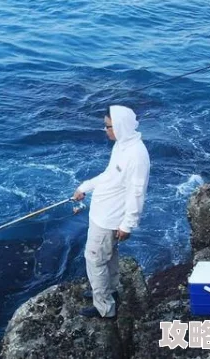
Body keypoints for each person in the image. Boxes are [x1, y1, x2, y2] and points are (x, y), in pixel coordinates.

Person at [72, 105, 150, 319]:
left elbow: (137, 193)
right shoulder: (122, 145)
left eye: (108, 126)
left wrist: (127, 225)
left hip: (109, 219)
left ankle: (104, 308)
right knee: (109, 256)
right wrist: (84, 187)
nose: (104, 130)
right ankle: (111, 289)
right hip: (102, 215)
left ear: (120, 126)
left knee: (94, 259)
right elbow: (109, 176)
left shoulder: (136, 155)